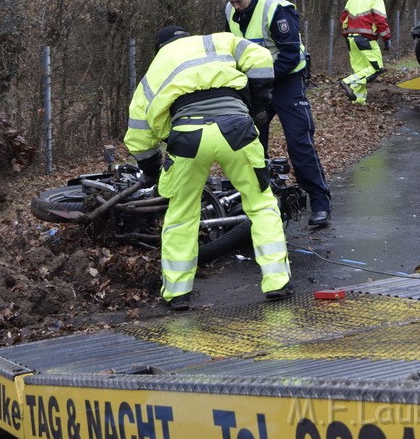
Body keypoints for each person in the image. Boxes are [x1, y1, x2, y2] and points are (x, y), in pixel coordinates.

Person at [124, 25, 293, 310]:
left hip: (187, 136)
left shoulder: (155, 69)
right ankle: (277, 282)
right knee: (261, 203)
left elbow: (139, 132)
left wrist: (152, 168)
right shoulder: (218, 41)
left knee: (181, 214)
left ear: (160, 47)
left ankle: (177, 293)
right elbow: (261, 58)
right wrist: (259, 104)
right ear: (188, 37)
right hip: (236, 128)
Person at [223, 0, 334, 228]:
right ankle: (257, 199)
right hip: (255, 84)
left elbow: (290, 55)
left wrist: (265, 79)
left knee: (298, 141)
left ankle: (320, 202)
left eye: (239, 1)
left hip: (287, 81)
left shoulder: (277, 10)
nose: (235, 6)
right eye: (232, 1)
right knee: (250, 141)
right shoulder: (229, 11)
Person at [339, 0, 392, 106]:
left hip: (351, 39)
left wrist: (347, 36)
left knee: (361, 71)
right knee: (376, 68)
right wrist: (386, 38)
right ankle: (348, 82)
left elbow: (344, 20)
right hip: (366, 39)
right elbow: (380, 20)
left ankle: (358, 101)